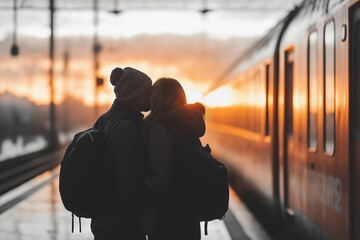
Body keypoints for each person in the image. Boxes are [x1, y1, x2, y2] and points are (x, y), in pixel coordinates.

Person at [91, 67, 152, 240]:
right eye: (147, 93)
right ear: (134, 95)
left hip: (103, 218)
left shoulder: (104, 119)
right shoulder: (127, 128)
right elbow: (129, 185)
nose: (151, 96)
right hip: (122, 223)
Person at [143, 78, 206, 240]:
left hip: (167, 218)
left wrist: (134, 187)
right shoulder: (188, 126)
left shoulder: (160, 128)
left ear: (156, 98)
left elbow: (162, 180)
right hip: (189, 214)